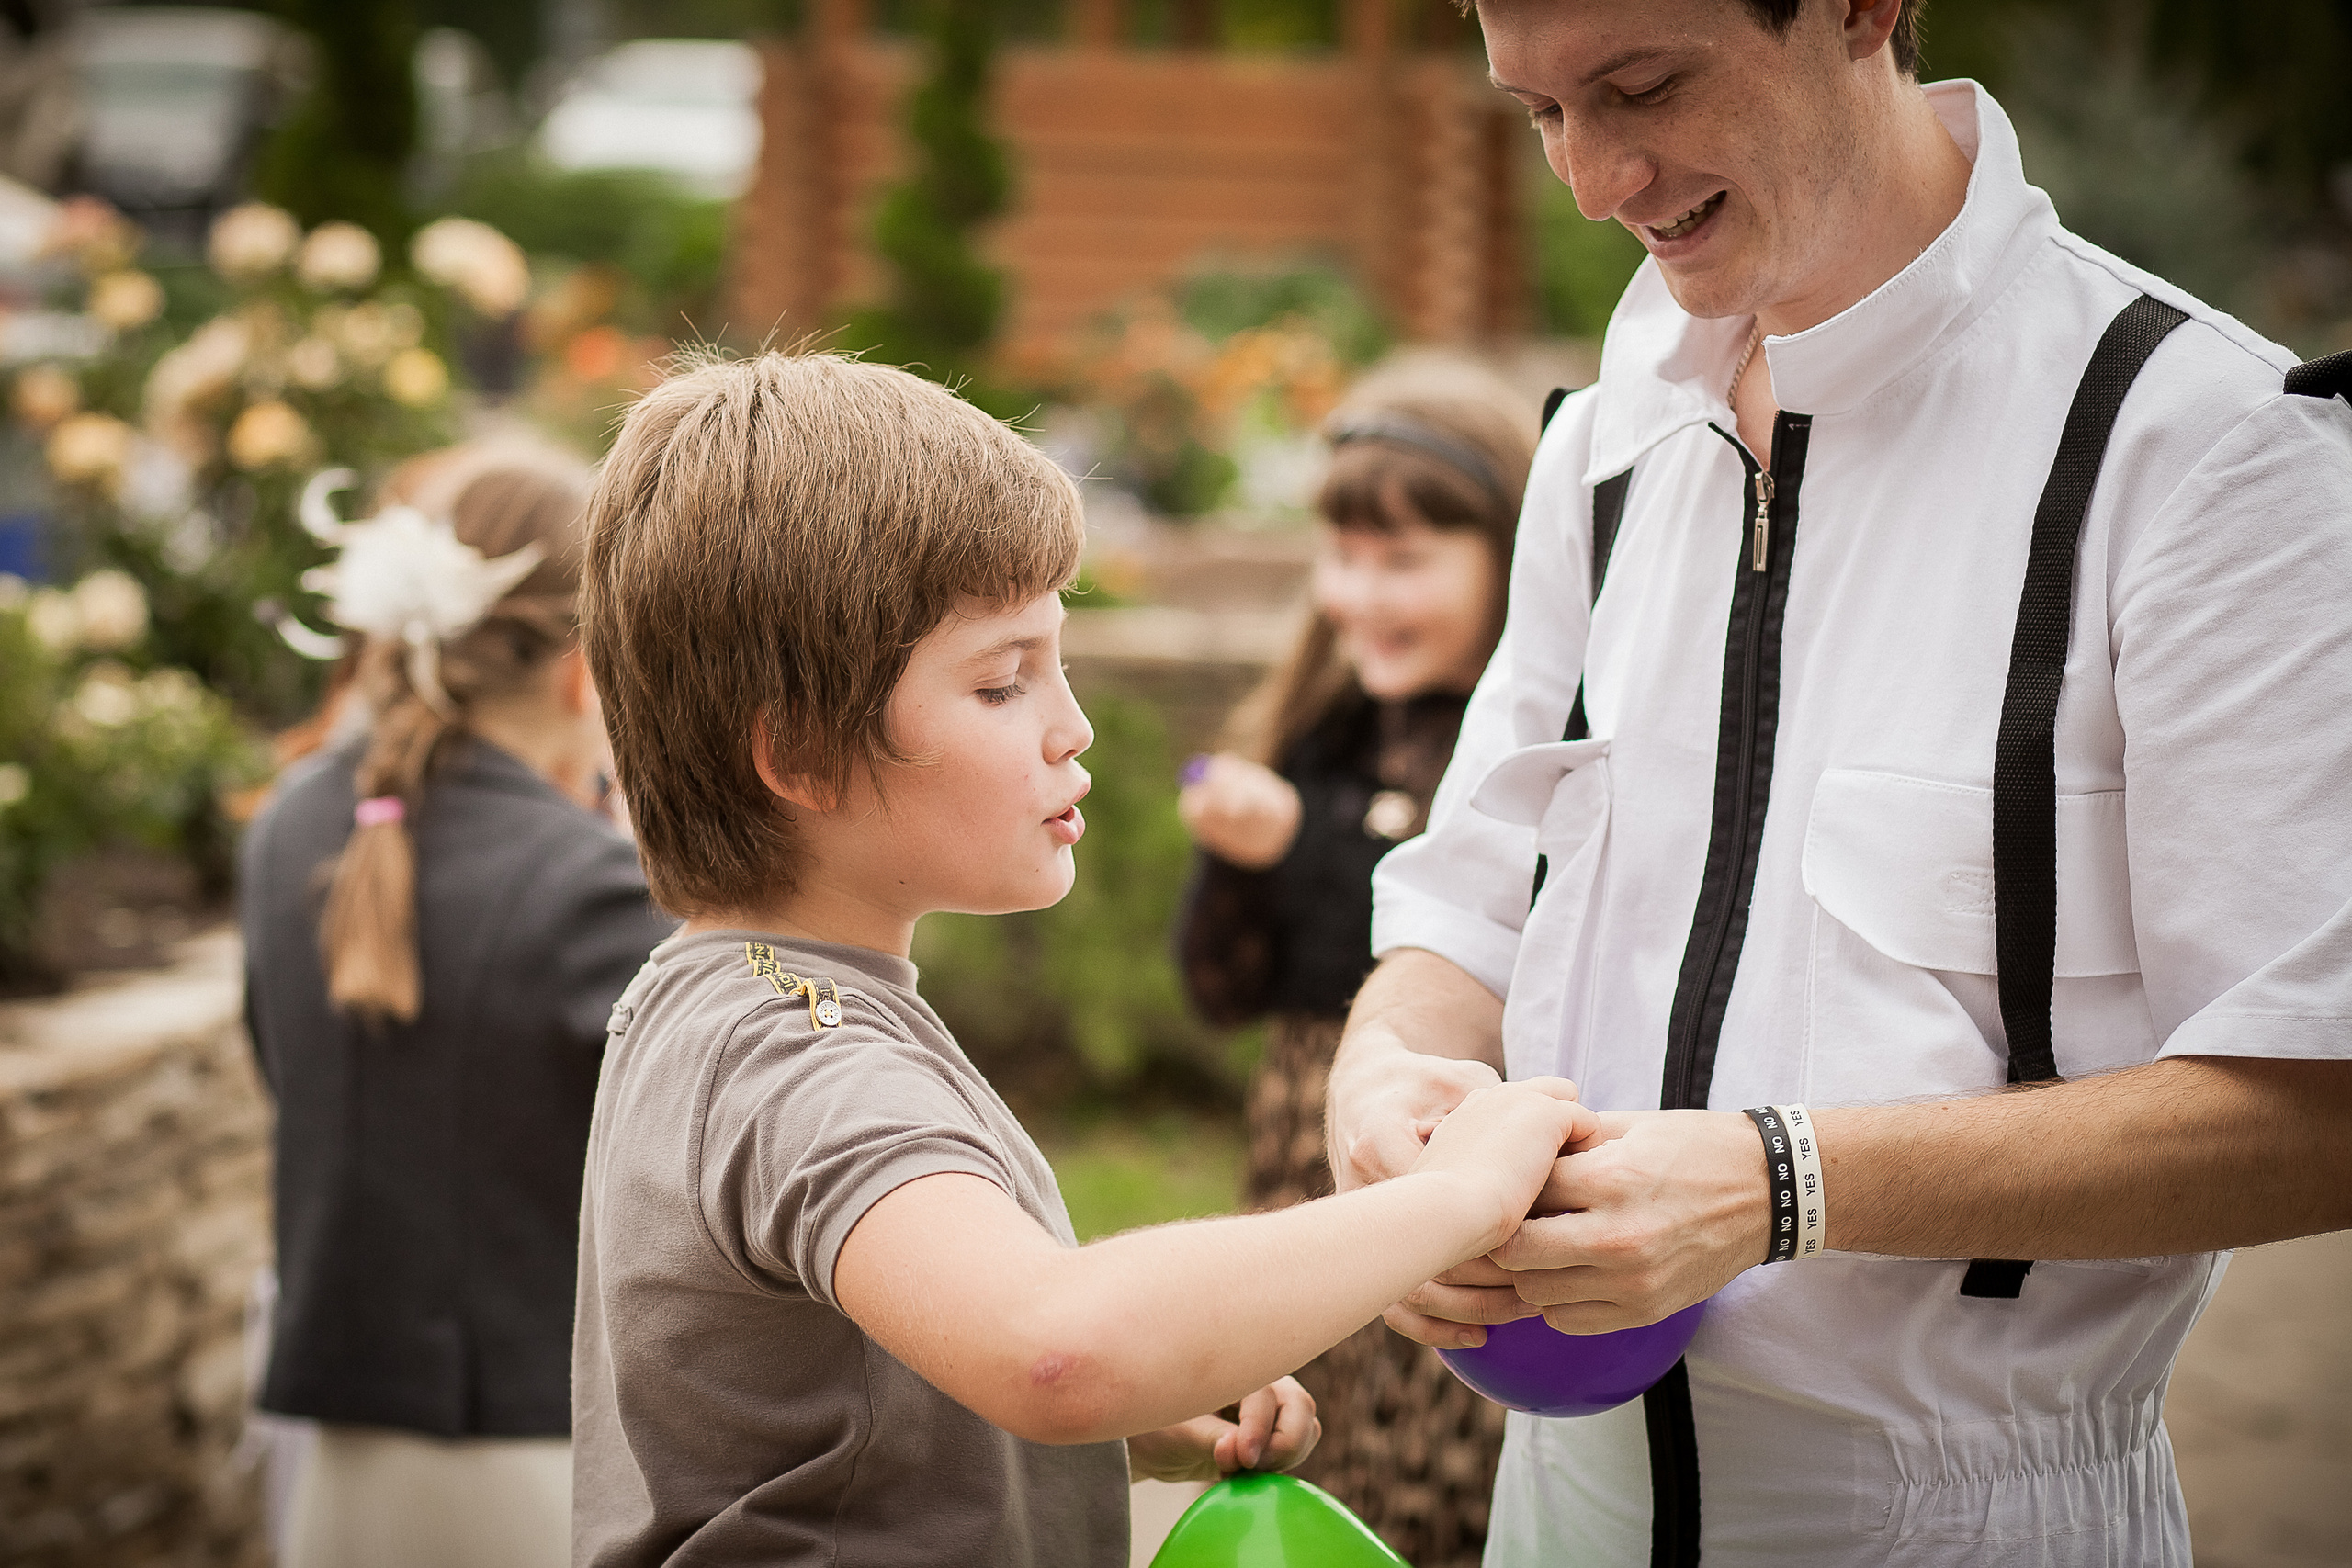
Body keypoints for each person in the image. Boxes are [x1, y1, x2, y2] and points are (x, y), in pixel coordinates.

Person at [1324, 1, 2352, 1564]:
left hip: (1977, 1522)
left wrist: (1782, 1180)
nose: (1592, 181)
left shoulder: (2210, 448)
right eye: (1540, 112)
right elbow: (1462, 914)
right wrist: (1385, 1078)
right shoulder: (1598, 443)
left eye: (1643, 84)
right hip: (1550, 1510)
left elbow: (2319, 1100)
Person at [568, 350, 1601, 1567]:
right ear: (797, 753)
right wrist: (1454, 1199)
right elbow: (1053, 1347)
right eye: (1003, 682)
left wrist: (1109, 1420)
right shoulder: (797, 1052)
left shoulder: (712, 999)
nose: (1075, 725)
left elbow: (834, 1389)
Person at [240, 448, 674, 1568]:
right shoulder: (594, 886)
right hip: (536, 1450)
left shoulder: (286, 826)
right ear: (586, 675)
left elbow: (284, 1073)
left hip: (330, 1441)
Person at [1175, 358, 1535, 1567]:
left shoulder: (1523, 753)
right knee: (1315, 1425)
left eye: (1404, 560)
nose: (1356, 594)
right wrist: (1237, 863)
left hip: (1448, 1140)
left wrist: (1303, 849)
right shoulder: (1320, 732)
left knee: (1443, 1454)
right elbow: (1225, 987)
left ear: (1511, 559)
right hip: (1306, 1146)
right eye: (1341, 554)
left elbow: (1442, 942)